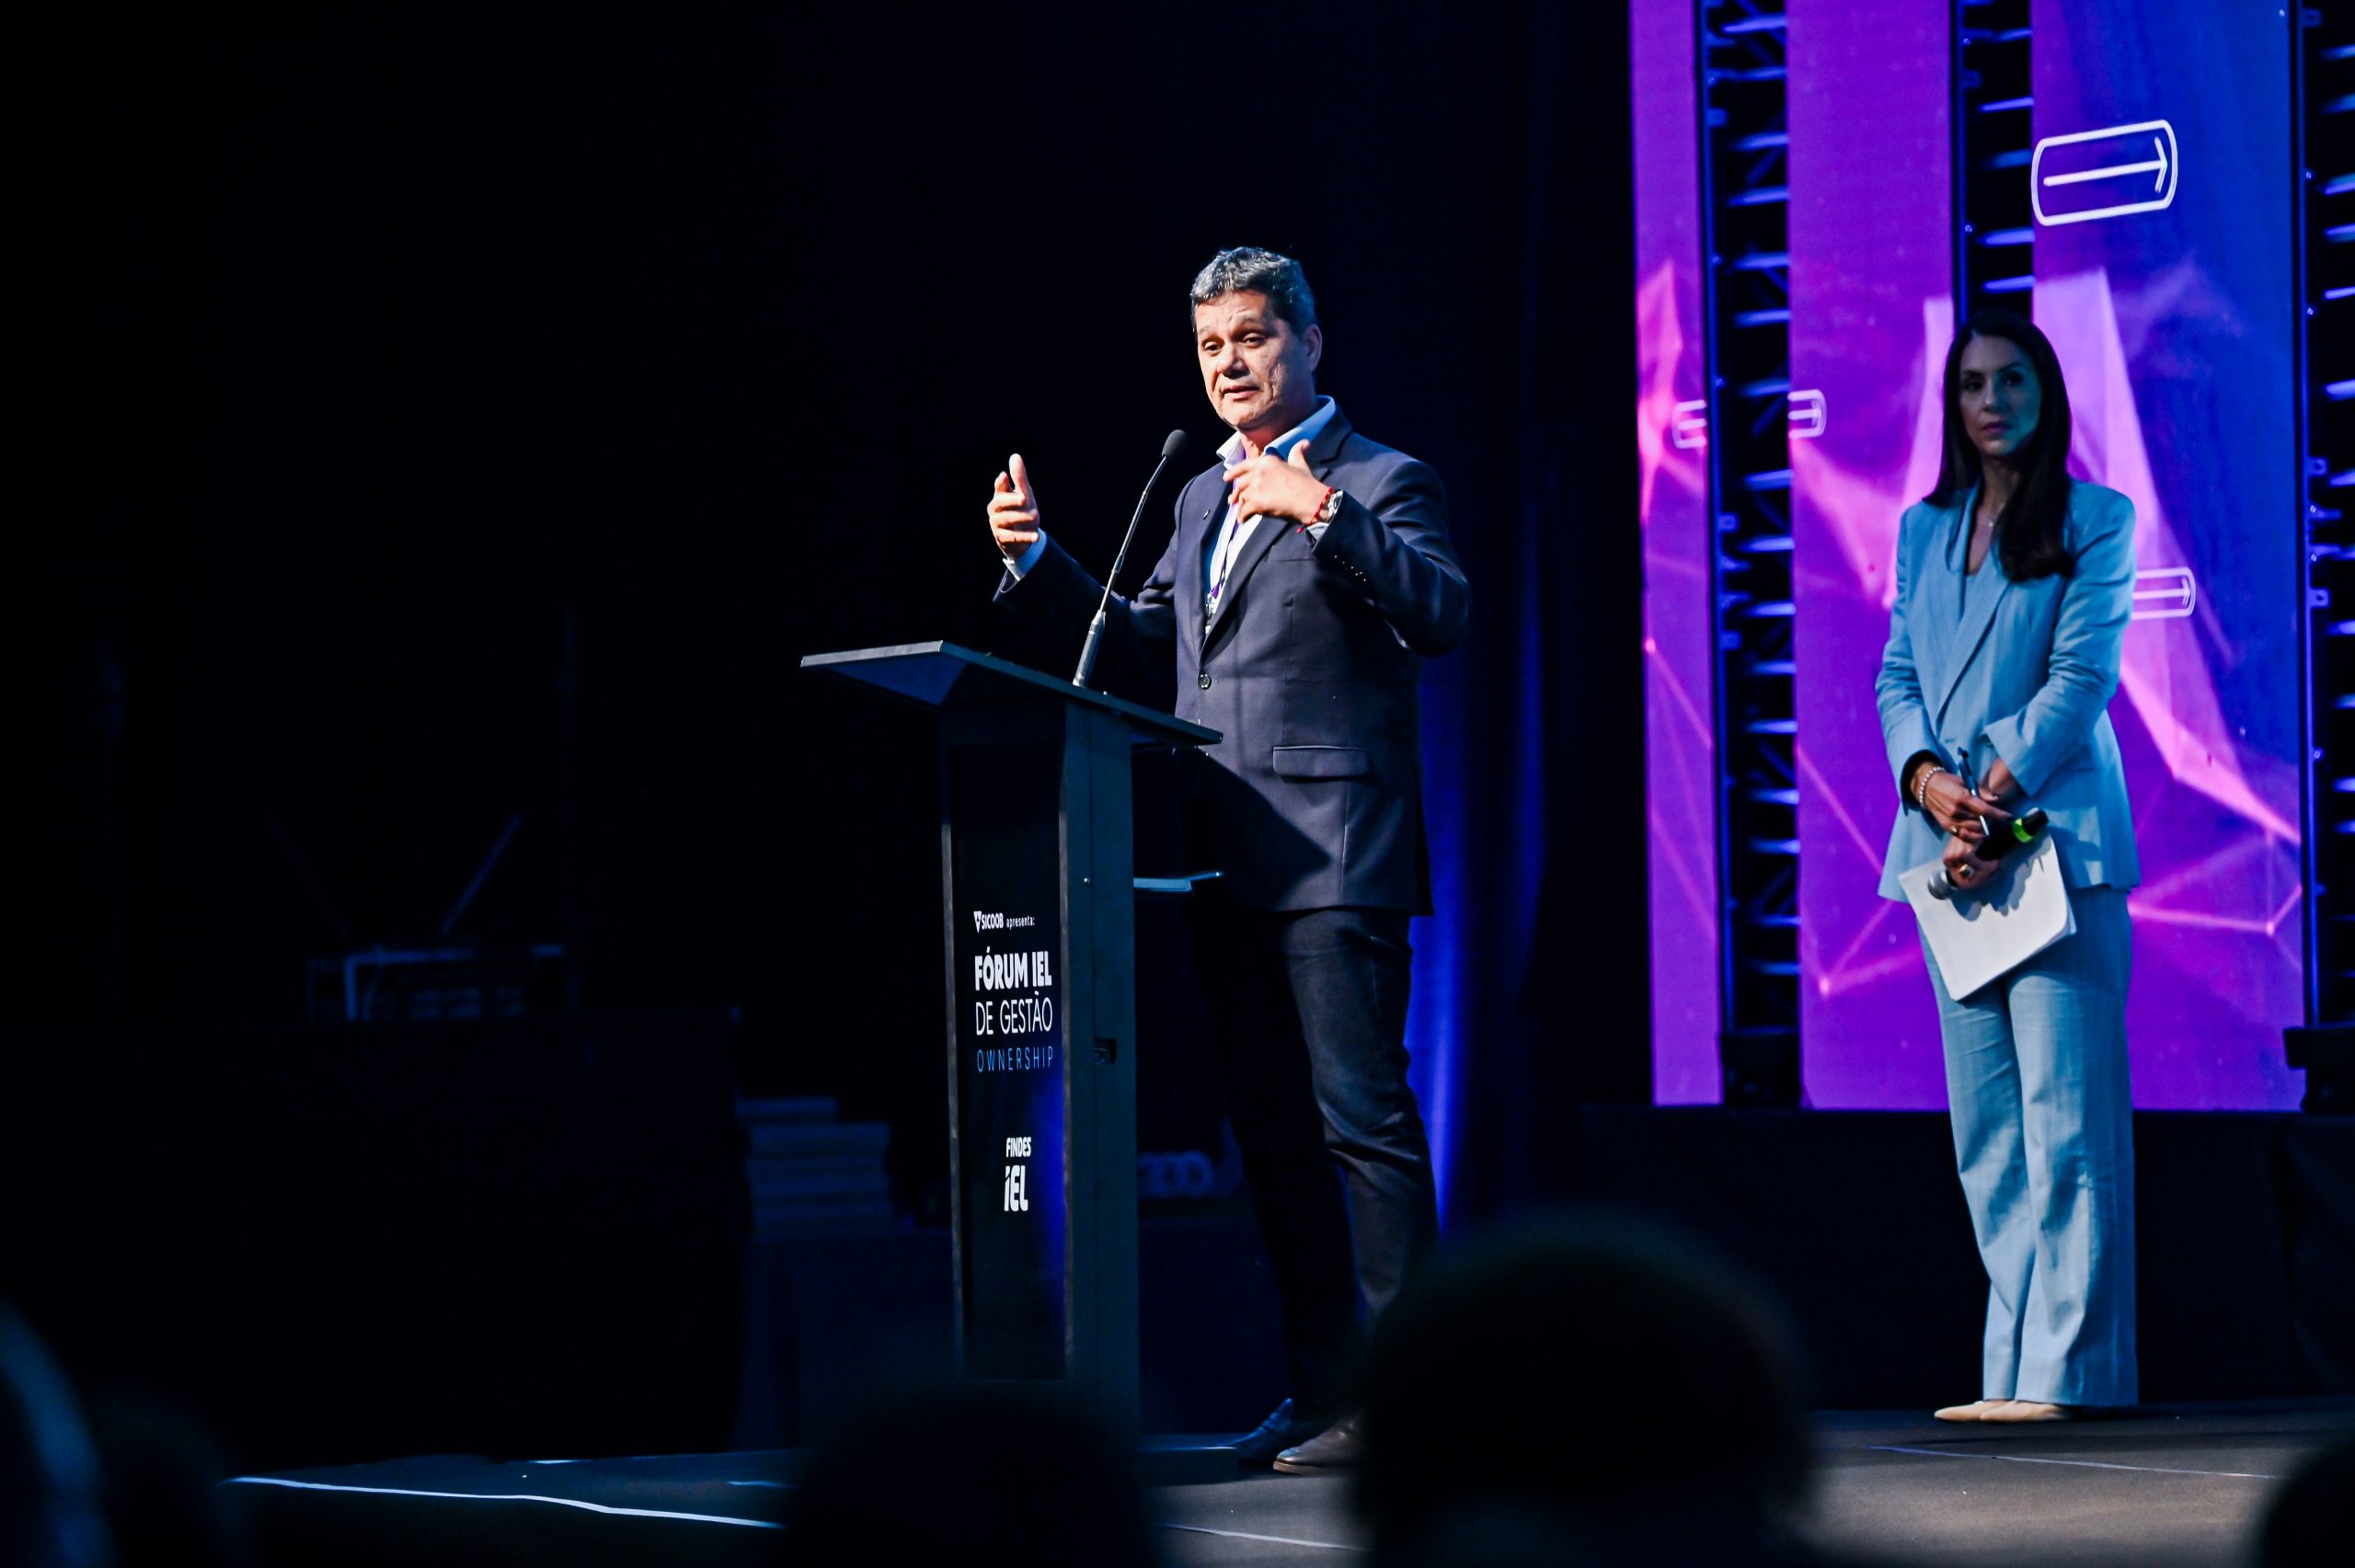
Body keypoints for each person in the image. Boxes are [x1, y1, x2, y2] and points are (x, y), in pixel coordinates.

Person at [985, 246, 1470, 1471]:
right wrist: (1039, 564)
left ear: (1309, 341)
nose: (1230, 364)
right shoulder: (1200, 495)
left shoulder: (1381, 477)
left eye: (1251, 337)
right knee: (1274, 1139)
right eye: (1211, 346)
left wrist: (1323, 511)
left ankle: (1413, 1401)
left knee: (1362, 1127)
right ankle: (1323, 1392)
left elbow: (1441, 611)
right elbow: (1142, 647)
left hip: (1335, 855)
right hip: (1222, 856)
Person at [1875, 308, 2139, 1423]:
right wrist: (1926, 783)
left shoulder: (2096, 518)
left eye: (2013, 381)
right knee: (1986, 1141)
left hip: (2051, 846)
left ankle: (2073, 1375)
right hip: (1947, 856)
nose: (1992, 402)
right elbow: (1895, 675)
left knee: (2067, 1124)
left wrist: (1984, 802)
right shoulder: (1923, 527)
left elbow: (2079, 682)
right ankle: (2011, 1376)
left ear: (2045, 393)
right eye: (1974, 384)